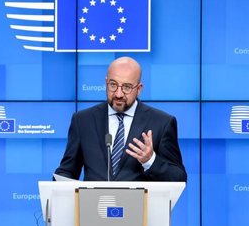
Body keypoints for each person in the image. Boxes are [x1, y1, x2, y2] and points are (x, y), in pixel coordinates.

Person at [54, 57, 187, 182]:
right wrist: (54, 188)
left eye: (127, 87)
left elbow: (179, 177)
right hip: (93, 205)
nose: (118, 94)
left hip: (140, 205)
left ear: (139, 89)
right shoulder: (82, 120)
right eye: (113, 85)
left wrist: (150, 160)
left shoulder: (161, 123)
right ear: (106, 82)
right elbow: (68, 170)